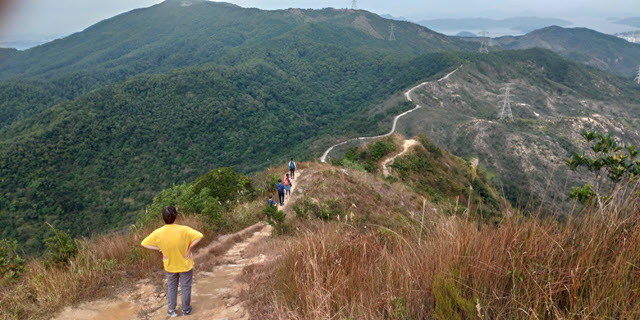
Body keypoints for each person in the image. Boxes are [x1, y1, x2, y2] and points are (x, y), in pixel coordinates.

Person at [141, 206, 203, 317]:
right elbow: (199, 236)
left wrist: (160, 249)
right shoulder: (184, 229)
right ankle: (186, 310)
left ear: (163, 218)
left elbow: (144, 243)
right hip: (185, 263)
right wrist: (189, 249)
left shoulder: (158, 232)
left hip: (170, 264)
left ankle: (171, 310)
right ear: (175, 216)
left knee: (172, 286)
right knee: (185, 287)